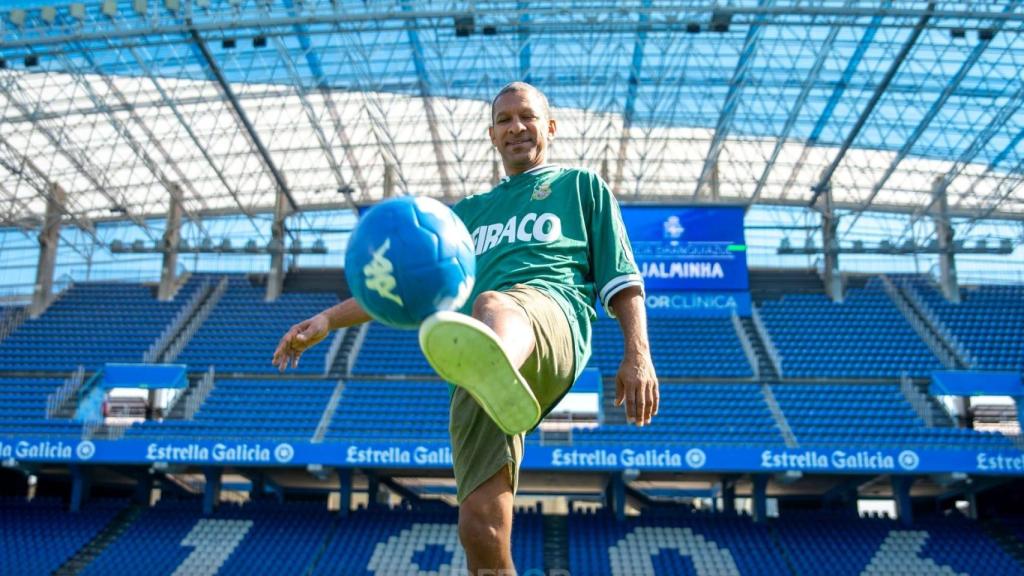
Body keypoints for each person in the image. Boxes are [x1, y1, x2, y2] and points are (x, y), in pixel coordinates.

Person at [272, 81, 658, 575]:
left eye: (527, 116)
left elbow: (624, 281)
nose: (516, 127)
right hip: (480, 363)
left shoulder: (580, 187)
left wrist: (637, 354)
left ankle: (493, 358)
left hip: (550, 320)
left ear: (551, 127)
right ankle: (490, 372)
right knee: (480, 530)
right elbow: (403, 280)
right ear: (492, 136)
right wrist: (327, 318)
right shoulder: (464, 217)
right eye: (504, 121)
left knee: (494, 302)